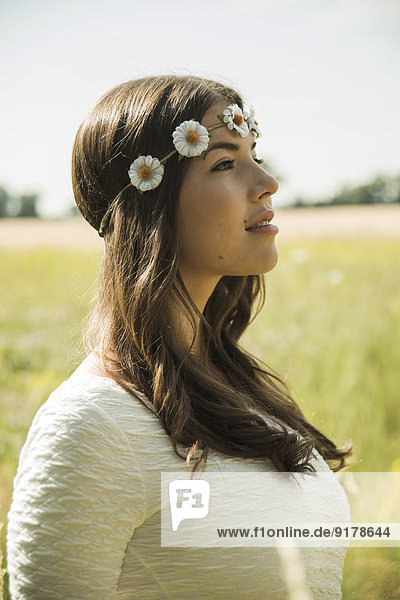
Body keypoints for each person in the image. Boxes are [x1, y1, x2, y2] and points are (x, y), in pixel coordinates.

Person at [6, 74, 353, 599]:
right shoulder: (92, 427)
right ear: (150, 201)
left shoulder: (239, 392)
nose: (268, 182)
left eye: (254, 154)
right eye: (224, 163)